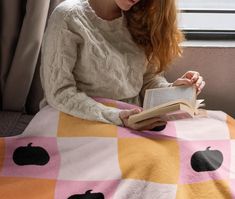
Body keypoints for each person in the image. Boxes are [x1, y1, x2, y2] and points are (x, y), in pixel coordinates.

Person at [40, 0, 205, 131]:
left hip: (133, 120)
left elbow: (147, 79)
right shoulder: (68, 17)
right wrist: (118, 117)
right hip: (79, 118)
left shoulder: (140, 16)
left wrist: (172, 91)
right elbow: (59, 92)